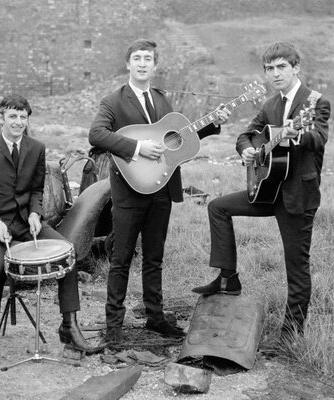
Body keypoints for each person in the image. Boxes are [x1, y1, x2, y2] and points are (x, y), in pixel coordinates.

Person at [88, 38, 230, 343]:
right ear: (128, 64)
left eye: (147, 59)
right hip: (127, 192)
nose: (142, 63)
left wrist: (212, 123)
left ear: (155, 65)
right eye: (136, 58)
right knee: (121, 259)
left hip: (162, 190)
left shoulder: (163, 102)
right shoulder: (113, 101)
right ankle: (114, 327)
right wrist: (138, 147)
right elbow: (96, 134)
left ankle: (155, 318)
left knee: (154, 258)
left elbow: (179, 138)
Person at [192, 41, 331, 339]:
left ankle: (290, 336)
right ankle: (228, 278)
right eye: (270, 68)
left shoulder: (315, 102)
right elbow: (246, 135)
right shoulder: (270, 104)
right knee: (218, 207)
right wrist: (248, 151)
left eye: (282, 67)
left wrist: (295, 135)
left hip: (297, 197)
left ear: (296, 68)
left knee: (296, 267)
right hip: (267, 190)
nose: (275, 74)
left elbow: (318, 138)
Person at [0, 94, 99, 368]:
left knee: (68, 253)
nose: (17, 122)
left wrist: (36, 213)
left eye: (22, 117)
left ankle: (69, 326)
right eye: (12, 116)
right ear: (1, 118)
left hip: (26, 222)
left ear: (27, 120)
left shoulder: (37, 148)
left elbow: (36, 189)